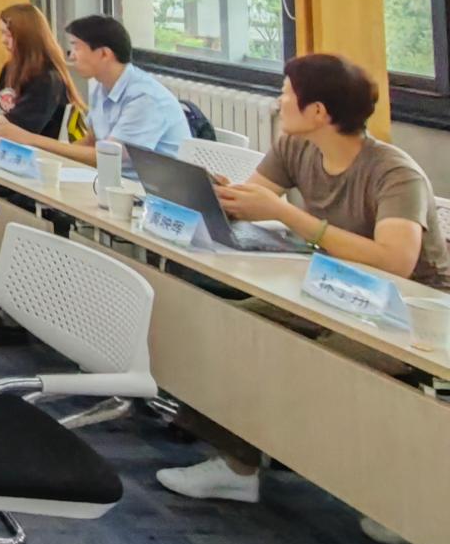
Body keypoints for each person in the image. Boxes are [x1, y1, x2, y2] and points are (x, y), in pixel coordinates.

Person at [156, 53, 445, 519]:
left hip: (406, 315)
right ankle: (236, 466)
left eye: (287, 94)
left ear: (319, 112)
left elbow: (395, 261)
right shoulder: (296, 146)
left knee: (315, 361)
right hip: (332, 289)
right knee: (228, 326)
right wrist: (217, 192)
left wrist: (287, 214)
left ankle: (396, 500)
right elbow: (256, 197)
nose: (279, 102)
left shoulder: (395, 173)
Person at [0, 15, 189, 171]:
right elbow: (91, 141)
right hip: (109, 182)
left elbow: (108, 158)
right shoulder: (101, 86)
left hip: (145, 195)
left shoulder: (144, 98)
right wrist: (52, 162)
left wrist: (29, 139)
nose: (71, 56)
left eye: (76, 47)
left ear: (104, 54)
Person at [0, 4, 84, 141]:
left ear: (27, 36)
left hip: (33, 148)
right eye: (2, 33)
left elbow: (15, 122)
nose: (3, 40)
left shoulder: (47, 78)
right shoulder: (10, 67)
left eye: (8, 35)